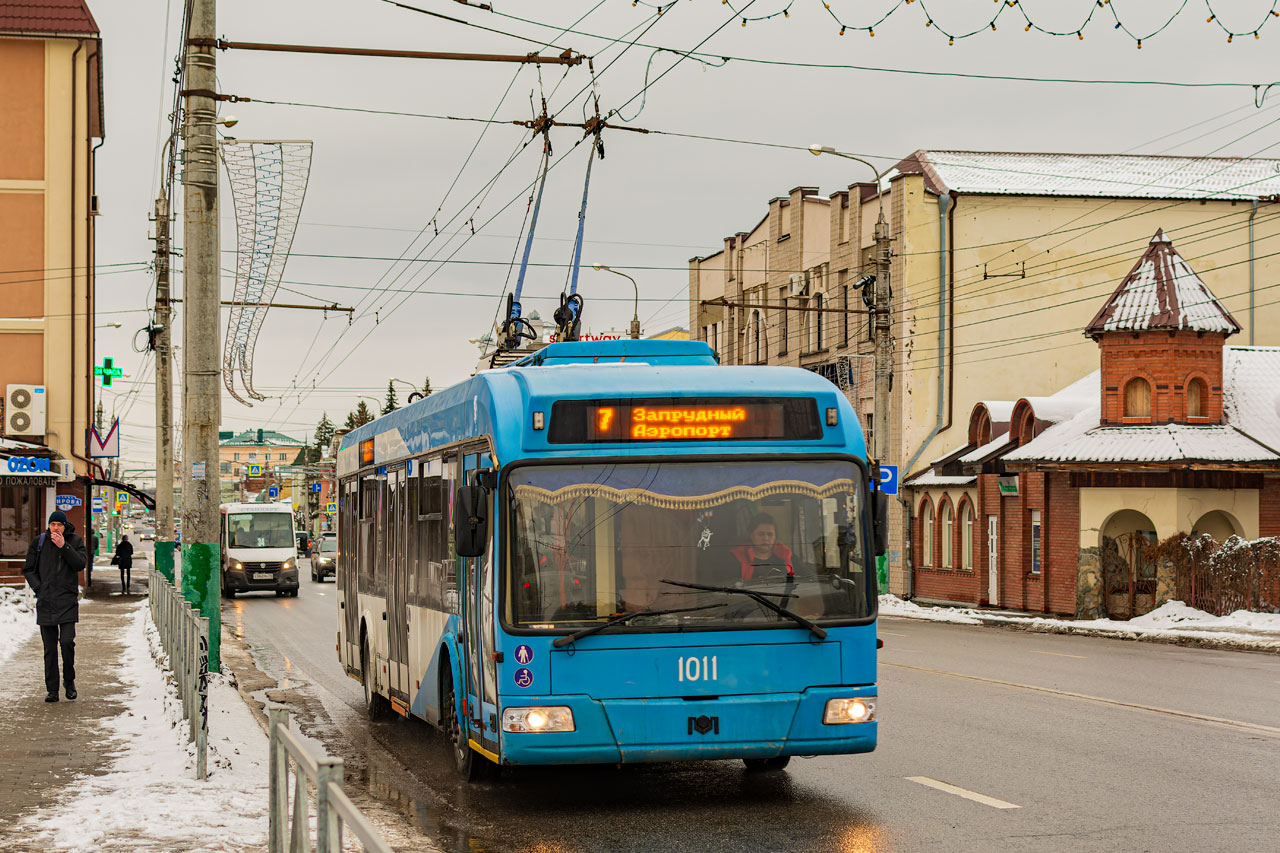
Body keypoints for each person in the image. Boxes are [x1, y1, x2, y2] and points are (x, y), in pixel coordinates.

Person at [23, 510, 88, 702]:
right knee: (49, 649)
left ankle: (69, 682)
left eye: (59, 525)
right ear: (49, 526)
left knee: (67, 643)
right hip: (46, 602)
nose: (56, 528)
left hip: (67, 601)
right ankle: (52, 690)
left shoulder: (75, 541)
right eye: (53, 525)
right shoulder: (40, 542)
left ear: (64, 526)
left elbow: (79, 564)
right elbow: (28, 569)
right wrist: (39, 588)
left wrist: (63, 546)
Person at [730, 513, 795, 581]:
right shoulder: (736, 558)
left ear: (775, 537)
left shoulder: (786, 555)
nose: (765, 538)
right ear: (751, 535)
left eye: (770, 534)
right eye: (761, 534)